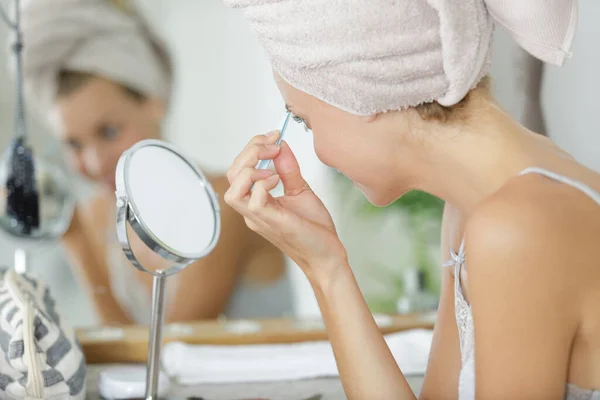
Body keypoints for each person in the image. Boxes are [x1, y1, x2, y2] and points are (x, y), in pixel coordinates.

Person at [223, 1, 600, 399]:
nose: (315, 149)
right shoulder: (475, 210)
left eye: (304, 120)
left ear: (358, 93)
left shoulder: (518, 228)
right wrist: (326, 268)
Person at [17, 0, 291, 325]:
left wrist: (79, 246)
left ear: (154, 103)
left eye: (108, 131)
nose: (94, 162)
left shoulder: (225, 203)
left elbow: (160, 357)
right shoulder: (95, 215)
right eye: (73, 143)